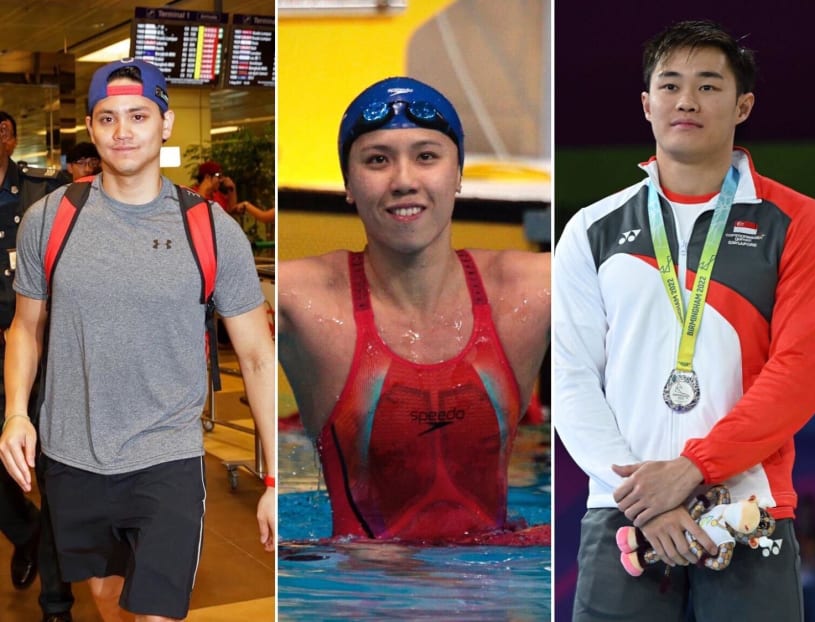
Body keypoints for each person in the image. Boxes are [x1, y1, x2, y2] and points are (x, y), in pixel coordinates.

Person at [554, 19, 815, 621]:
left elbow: (802, 373)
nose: (686, 100)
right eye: (671, 84)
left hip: (750, 506)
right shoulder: (591, 229)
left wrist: (692, 471)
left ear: (743, 105)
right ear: (646, 103)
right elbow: (571, 379)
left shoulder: (797, 221)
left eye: (708, 85)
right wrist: (648, 500)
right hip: (622, 512)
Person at [0, 58, 275, 622]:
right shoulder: (49, 219)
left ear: (166, 124)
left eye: (138, 115)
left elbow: (256, 356)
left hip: (166, 456)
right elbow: (26, 328)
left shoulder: (210, 228)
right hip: (73, 455)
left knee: (155, 613)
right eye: (108, 118)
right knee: (106, 599)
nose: (122, 131)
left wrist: (275, 476)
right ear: (93, 127)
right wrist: (15, 415)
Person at [278, 76, 550, 543]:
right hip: (361, 601)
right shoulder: (300, 299)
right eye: (377, 160)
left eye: (426, 156)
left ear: (459, 172)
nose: (404, 181)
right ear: (348, 183)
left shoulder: (531, 290)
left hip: (492, 595)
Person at [0, 110, 74, 622]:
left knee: (51, 470)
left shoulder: (42, 192)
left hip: (38, 347)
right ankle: (26, 534)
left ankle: (57, 602)